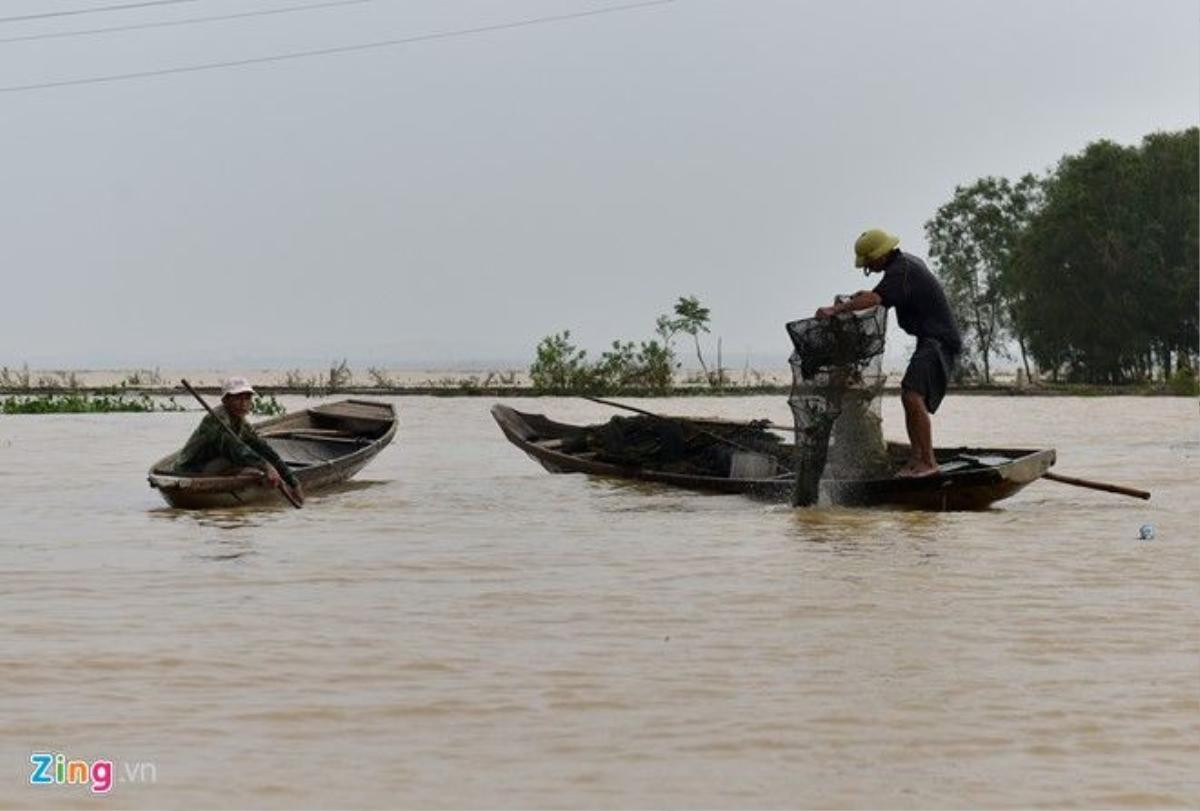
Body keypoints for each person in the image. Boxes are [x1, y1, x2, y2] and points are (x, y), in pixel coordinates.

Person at [816, 228, 962, 478]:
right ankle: (917, 460)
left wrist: (836, 310)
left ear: (880, 254)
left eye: (869, 262)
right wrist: (863, 297)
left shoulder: (901, 270)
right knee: (909, 393)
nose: (869, 267)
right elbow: (880, 294)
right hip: (930, 340)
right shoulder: (904, 265)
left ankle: (928, 461)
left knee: (912, 395)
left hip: (937, 341)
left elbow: (876, 298)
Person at [174, 376, 304, 502]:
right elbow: (235, 448)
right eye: (237, 398)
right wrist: (266, 467)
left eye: (247, 398)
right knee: (250, 464)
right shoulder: (216, 420)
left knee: (254, 460)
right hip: (191, 470)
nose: (243, 403)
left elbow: (264, 449)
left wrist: (293, 482)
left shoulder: (241, 423)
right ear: (225, 400)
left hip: (212, 465)